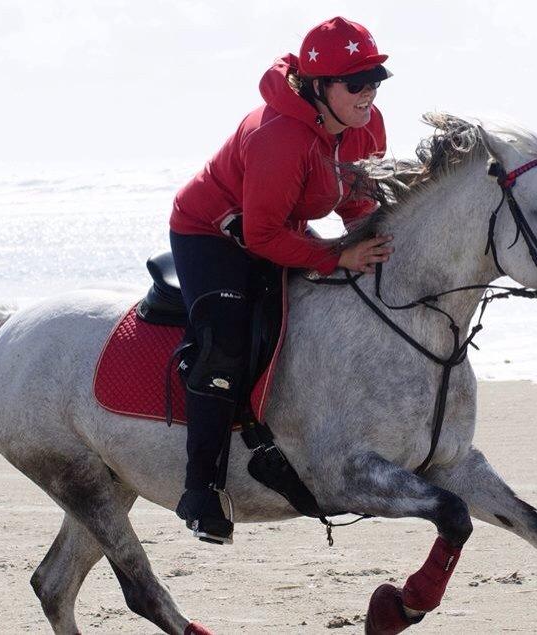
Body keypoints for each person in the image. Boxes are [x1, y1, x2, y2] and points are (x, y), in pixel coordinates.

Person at [168, 16, 395, 544]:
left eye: (376, 79)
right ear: (320, 87)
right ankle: (201, 489)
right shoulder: (280, 137)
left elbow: (359, 203)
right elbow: (264, 235)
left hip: (278, 224)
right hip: (212, 231)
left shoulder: (368, 123)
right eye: (356, 83)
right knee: (225, 337)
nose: (369, 94)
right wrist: (337, 259)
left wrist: (374, 248)